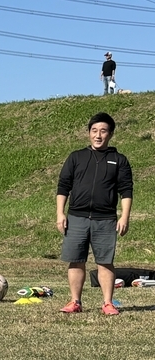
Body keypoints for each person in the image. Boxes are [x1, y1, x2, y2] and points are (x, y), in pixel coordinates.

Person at [56, 112, 133, 316]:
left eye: (103, 131)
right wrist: (60, 213)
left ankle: (107, 303)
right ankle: (75, 301)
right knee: (76, 260)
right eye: (94, 130)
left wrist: (124, 217)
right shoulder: (76, 157)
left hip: (105, 219)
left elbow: (126, 190)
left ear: (111, 134)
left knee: (105, 262)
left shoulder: (119, 160)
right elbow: (63, 187)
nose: (98, 135)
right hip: (76, 218)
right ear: (89, 133)